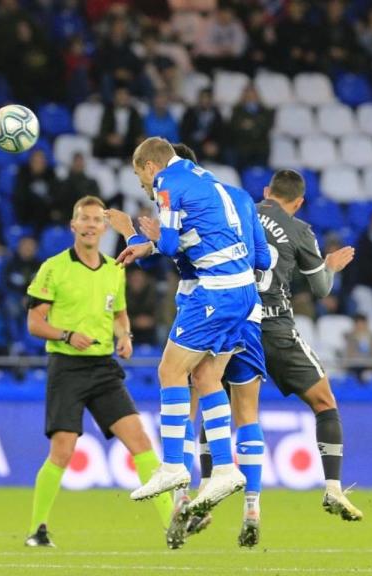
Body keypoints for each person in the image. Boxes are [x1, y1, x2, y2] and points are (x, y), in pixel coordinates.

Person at [109, 142, 269, 548]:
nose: (143, 183)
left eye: (139, 175)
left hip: (211, 292)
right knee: (205, 375)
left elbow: (168, 245)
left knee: (169, 371)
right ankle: (227, 472)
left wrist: (135, 231)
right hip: (245, 296)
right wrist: (153, 241)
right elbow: (261, 257)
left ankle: (174, 469)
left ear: (150, 165)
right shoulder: (222, 186)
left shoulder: (167, 183)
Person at [23, 195, 170, 548]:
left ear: (104, 228)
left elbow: (119, 314)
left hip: (104, 367)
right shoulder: (53, 268)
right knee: (63, 450)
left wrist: (126, 336)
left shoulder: (113, 269)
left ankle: (173, 525)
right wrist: (67, 335)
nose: (90, 225)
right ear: (73, 226)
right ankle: (37, 529)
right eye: (84, 219)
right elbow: (34, 322)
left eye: (96, 220)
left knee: (140, 440)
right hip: (67, 366)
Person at [250, 169, 364, 521]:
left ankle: (208, 483)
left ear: (267, 191)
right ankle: (332, 488)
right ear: (298, 202)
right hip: (277, 329)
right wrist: (329, 265)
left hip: (237, 325)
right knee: (324, 401)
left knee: (222, 403)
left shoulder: (240, 213)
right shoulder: (299, 230)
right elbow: (320, 290)